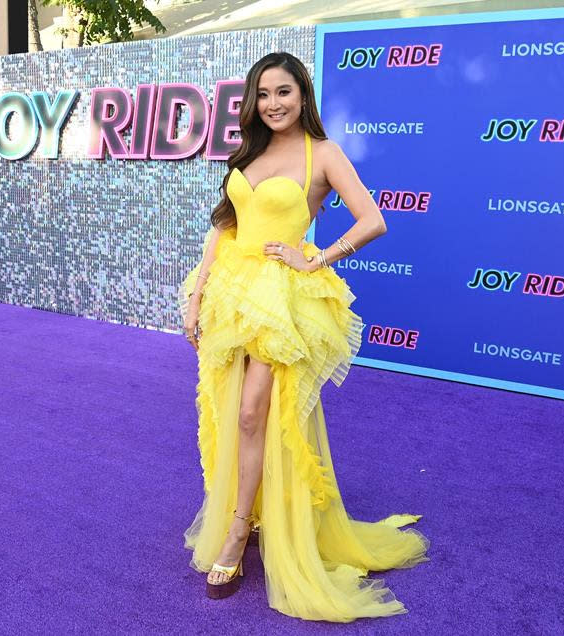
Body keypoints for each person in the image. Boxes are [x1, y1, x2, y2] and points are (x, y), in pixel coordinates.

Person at [179, 51, 429, 622]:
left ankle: (239, 532)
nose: (273, 104)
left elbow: (373, 219)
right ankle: (251, 510)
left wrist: (315, 261)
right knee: (229, 411)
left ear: (303, 94)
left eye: (283, 92)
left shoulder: (325, 154)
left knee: (253, 413)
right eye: (263, 95)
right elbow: (225, 225)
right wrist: (196, 297)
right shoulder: (252, 150)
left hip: (281, 299)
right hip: (230, 294)